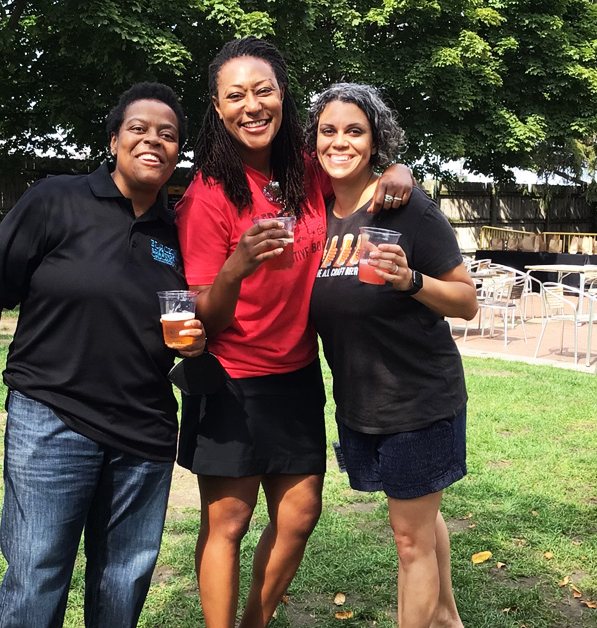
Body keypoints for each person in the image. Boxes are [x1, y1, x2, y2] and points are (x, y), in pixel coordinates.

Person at [175, 37, 414, 628]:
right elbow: (204, 314)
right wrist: (238, 266)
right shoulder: (209, 195)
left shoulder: (306, 171)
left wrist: (398, 171)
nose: (252, 106)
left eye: (264, 91)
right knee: (227, 522)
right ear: (217, 106)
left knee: (300, 515)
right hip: (230, 376)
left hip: (297, 373)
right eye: (236, 96)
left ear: (283, 96)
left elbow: (358, 171)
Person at [0, 82, 205, 628]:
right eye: (138, 129)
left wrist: (194, 338)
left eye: (168, 135)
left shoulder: (179, 228)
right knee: (38, 569)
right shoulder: (56, 198)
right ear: (114, 139)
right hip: (52, 418)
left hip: (145, 426)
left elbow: (194, 312)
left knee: (126, 575)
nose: (153, 141)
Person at [307, 83, 477, 628]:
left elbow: (467, 301)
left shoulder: (406, 207)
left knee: (409, 540)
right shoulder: (314, 212)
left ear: (375, 140)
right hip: (360, 401)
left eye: (354, 131)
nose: (340, 142)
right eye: (328, 130)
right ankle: (447, 620)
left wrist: (411, 280)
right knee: (420, 521)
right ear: (313, 142)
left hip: (418, 399)